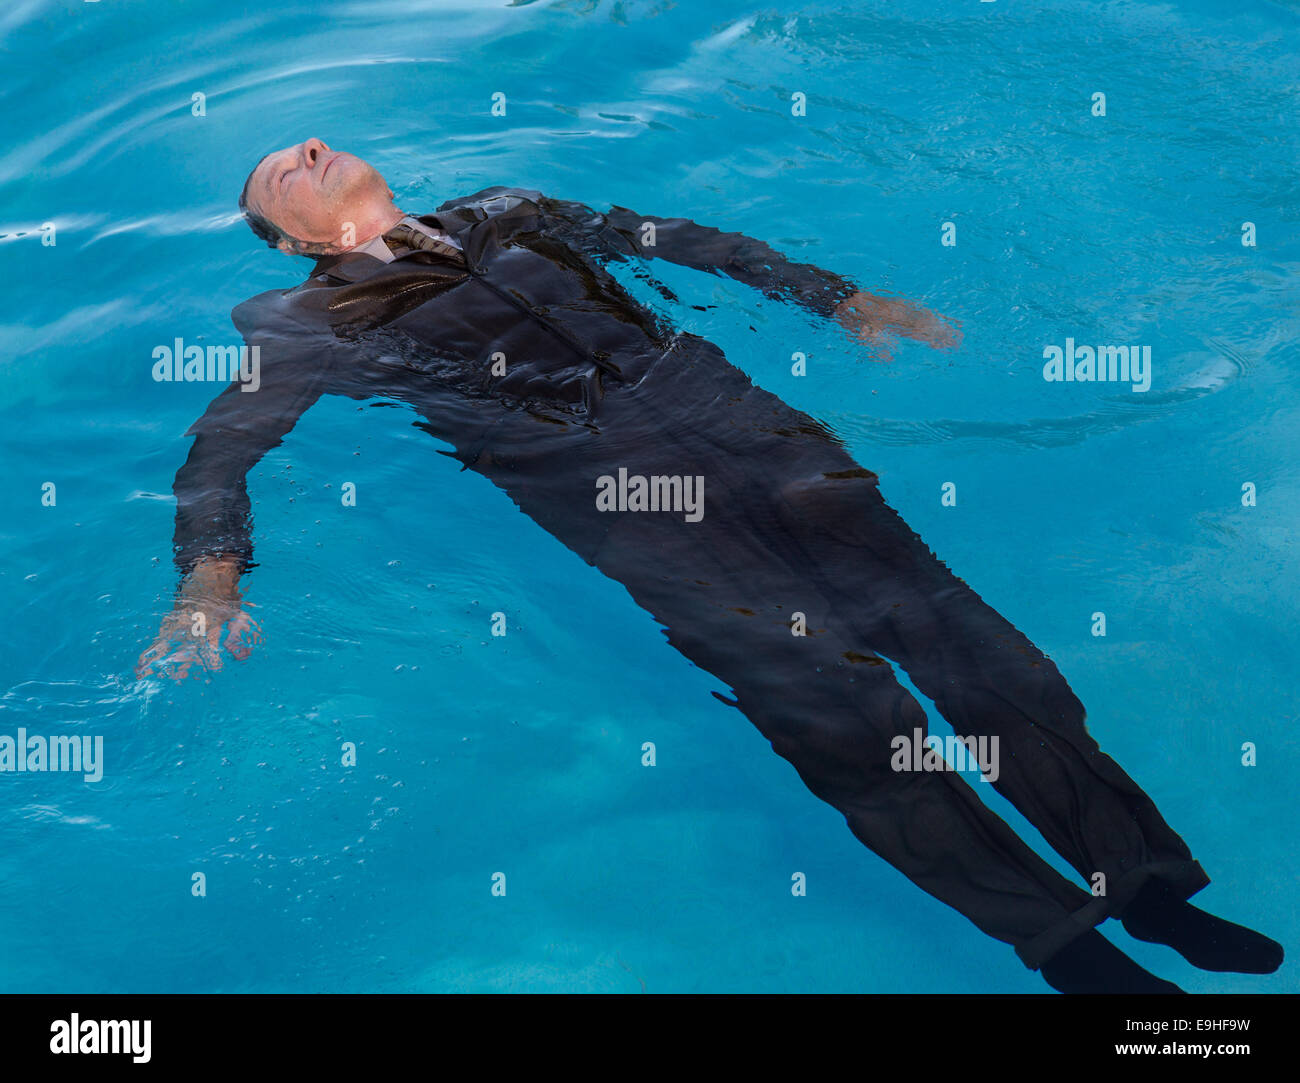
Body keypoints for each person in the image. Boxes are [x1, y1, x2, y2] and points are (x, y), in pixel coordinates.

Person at [139, 137, 1283, 993]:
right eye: (275, 175)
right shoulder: (301, 325)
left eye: (304, 145)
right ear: (293, 240)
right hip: (615, 495)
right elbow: (221, 452)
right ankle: (1068, 953)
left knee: (981, 654)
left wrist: (833, 295)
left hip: (743, 429)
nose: (300, 151)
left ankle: (1145, 889)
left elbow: (672, 242)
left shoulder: (509, 207)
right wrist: (210, 577)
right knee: (840, 709)